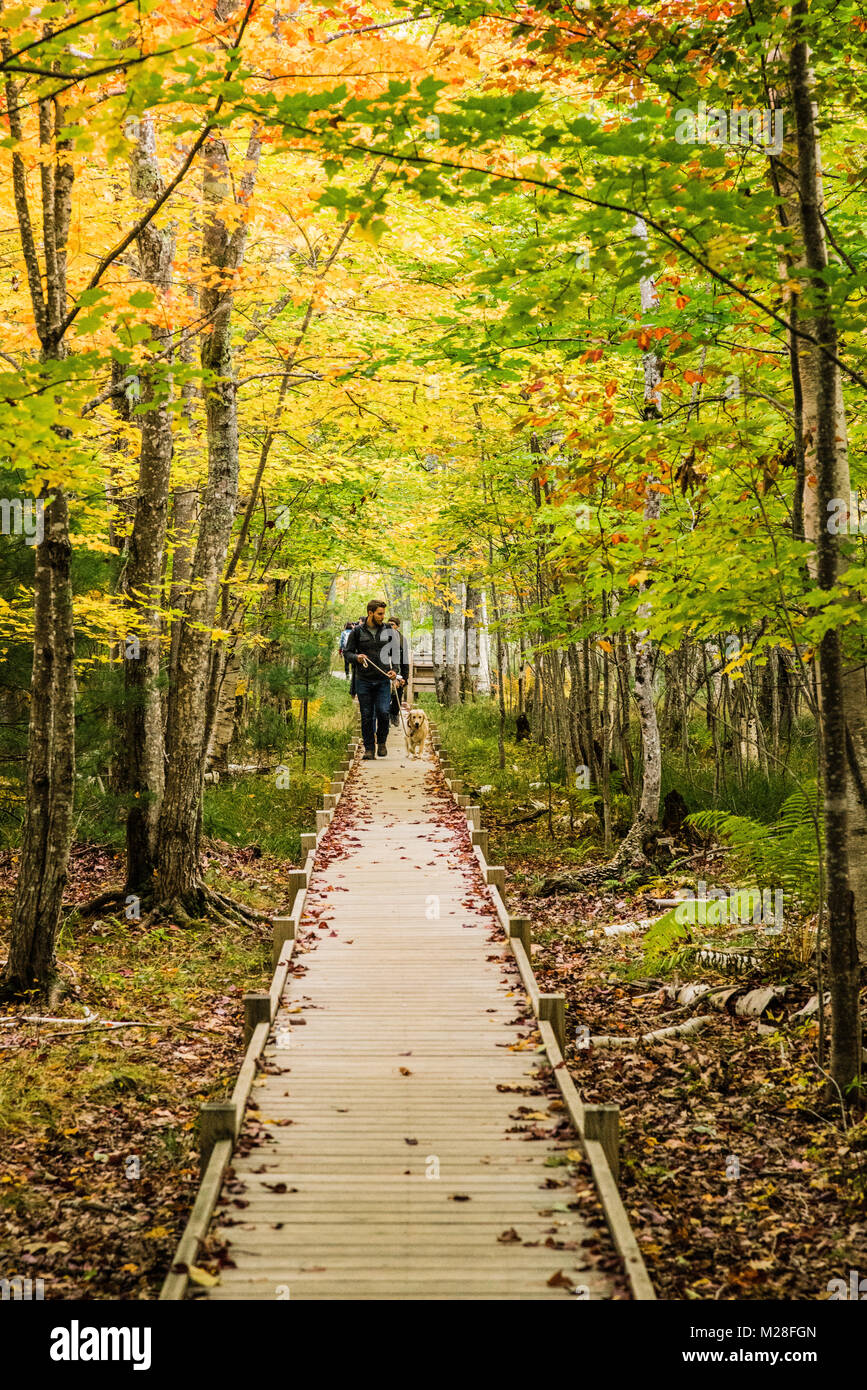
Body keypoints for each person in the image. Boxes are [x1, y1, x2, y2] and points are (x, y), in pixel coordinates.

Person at [343, 600, 408, 758]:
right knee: (366, 714)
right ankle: (369, 749)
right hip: (363, 680)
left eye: (383, 614)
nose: (382, 617)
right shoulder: (357, 631)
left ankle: (382, 742)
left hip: (382, 680)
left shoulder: (388, 631)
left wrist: (395, 671)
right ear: (370, 613)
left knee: (383, 712)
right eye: (380, 613)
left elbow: (396, 654)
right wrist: (357, 657)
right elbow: (347, 653)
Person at [386, 617, 409, 728]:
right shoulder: (383, 638)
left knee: (398, 695)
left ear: (397, 626)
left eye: (393, 625)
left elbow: (405, 660)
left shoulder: (402, 640)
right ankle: (385, 717)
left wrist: (405, 677)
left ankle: (394, 714)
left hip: (398, 670)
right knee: (386, 694)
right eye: (389, 624)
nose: (390, 627)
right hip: (386, 670)